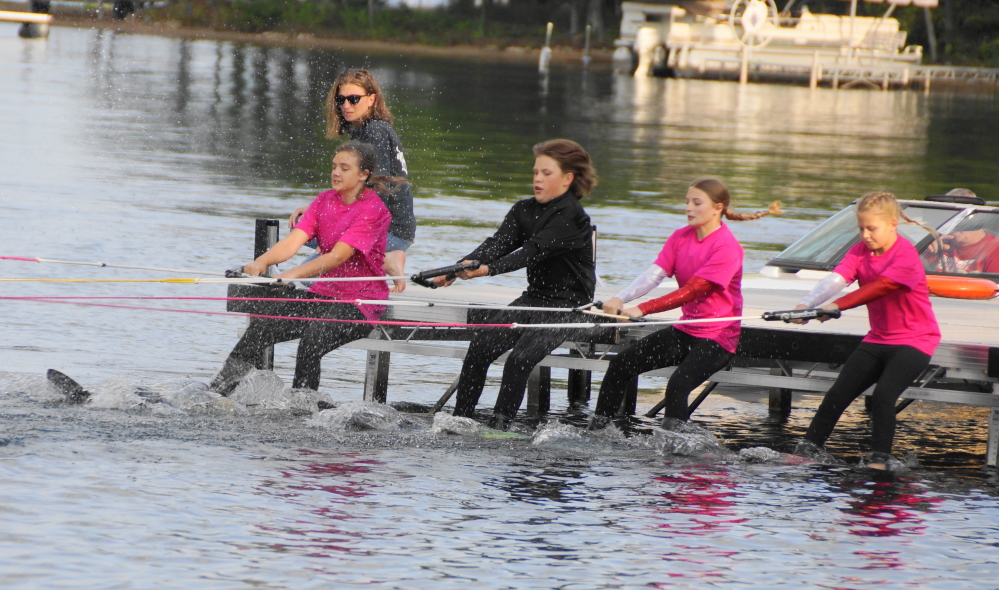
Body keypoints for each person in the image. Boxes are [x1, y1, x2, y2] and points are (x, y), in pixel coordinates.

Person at [589, 178, 780, 430]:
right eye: (687, 201)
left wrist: (641, 309)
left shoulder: (728, 248)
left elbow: (691, 292)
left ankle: (673, 447)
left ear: (717, 208)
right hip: (686, 331)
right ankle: (599, 430)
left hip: (718, 338)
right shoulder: (680, 237)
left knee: (678, 384)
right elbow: (653, 275)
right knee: (621, 364)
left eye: (696, 202)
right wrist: (620, 298)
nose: (688, 208)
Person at [433, 139, 598, 430]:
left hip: (571, 307)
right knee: (480, 347)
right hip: (534, 298)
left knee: (519, 360)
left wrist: (486, 271)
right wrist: (456, 268)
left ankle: (501, 426)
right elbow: (497, 244)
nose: (537, 179)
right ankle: (459, 420)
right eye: (535, 172)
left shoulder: (573, 217)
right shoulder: (524, 210)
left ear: (567, 178)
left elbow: (531, 252)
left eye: (546, 173)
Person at [210, 141, 397, 395]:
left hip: (360, 303)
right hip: (323, 294)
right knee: (262, 326)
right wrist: (260, 263)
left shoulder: (373, 209)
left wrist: (290, 275)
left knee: (313, 339)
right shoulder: (323, 201)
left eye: (344, 168)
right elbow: (293, 241)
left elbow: (338, 256)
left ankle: (301, 408)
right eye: (334, 167)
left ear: (363, 175)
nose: (336, 173)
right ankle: (217, 391)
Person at [791, 192, 941, 472]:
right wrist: (806, 305)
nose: (865, 235)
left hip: (915, 341)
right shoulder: (860, 251)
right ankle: (806, 451)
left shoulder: (905, 255)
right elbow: (838, 278)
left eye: (871, 228)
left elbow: (878, 288)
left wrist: (835, 307)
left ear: (893, 224)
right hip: (878, 338)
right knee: (836, 395)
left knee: (883, 396)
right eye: (861, 228)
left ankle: (879, 461)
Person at [290, 69, 416, 293]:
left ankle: (386, 258)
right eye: (341, 99)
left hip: (390, 230)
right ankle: (375, 259)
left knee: (310, 278)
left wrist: (333, 232)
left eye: (353, 99)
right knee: (299, 226)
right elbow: (353, 187)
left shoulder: (375, 131)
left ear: (371, 99)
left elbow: (376, 187)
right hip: (379, 227)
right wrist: (318, 210)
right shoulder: (362, 131)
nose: (346, 105)